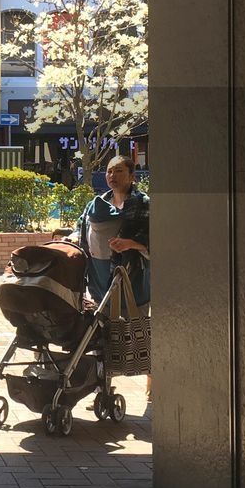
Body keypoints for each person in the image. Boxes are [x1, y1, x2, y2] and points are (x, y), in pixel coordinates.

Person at [69, 154, 151, 397]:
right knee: (101, 337)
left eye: (118, 171)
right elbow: (80, 227)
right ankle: (103, 386)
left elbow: (158, 239)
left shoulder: (143, 204)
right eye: (109, 171)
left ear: (132, 176)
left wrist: (131, 244)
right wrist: (72, 238)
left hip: (132, 282)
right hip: (100, 282)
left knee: (137, 334)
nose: (112, 176)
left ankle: (151, 375)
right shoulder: (97, 204)